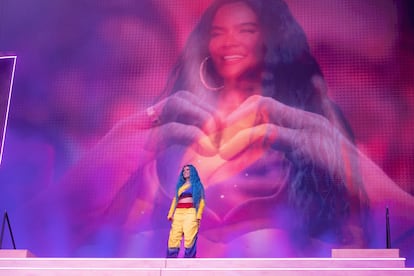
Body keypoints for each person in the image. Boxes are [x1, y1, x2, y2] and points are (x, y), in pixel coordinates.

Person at [20, 0, 414, 258]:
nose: (230, 43)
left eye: (246, 30)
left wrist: (385, 200)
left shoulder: (316, 130)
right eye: (219, 31)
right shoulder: (159, 136)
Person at [166, 164, 206, 258]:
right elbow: (175, 200)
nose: (185, 172)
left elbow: (201, 201)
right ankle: (171, 263)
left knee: (190, 237)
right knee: (174, 237)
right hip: (178, 213)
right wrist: (170, 213)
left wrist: (198, 215)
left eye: (188, 170)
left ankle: (188, 264)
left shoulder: (197, 185)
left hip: (190, 213)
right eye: (184, 170)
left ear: (192, 172)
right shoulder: (180, 186)